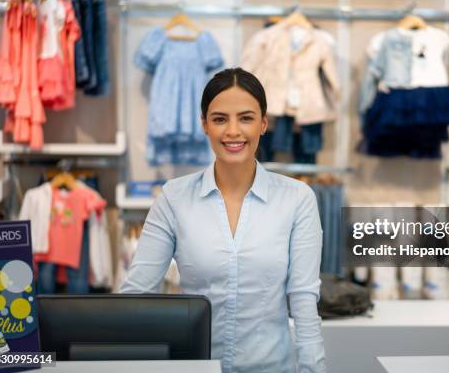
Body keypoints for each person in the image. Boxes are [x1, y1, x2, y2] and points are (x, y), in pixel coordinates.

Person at [121, 67, 326, 372]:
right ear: (205, 125)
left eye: (246, 118)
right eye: (219, 119)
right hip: (194, 368)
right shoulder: (174, 198)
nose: (233, 131)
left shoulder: (297, 199)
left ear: (263, 124)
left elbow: (304, 302)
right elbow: (136, 295)